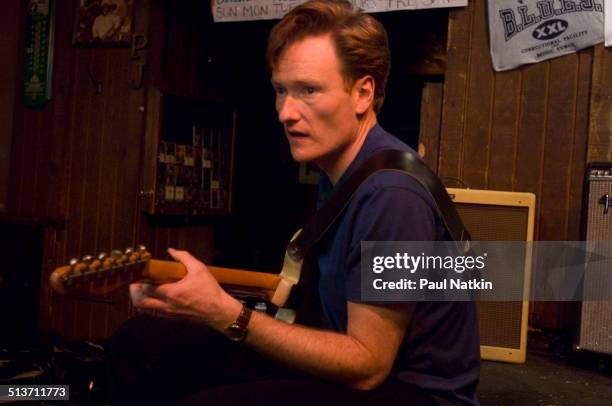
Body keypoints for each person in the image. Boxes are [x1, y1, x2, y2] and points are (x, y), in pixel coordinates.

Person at [108, 1, 480, 405]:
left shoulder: (391, 195)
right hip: (354, 363)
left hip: (411, 393)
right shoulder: (340, 170)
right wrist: (194, 304)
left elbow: (368, 366)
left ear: (363, 93)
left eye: (309, 91)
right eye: (281, 90)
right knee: (142, 342)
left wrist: (223, 312)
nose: (286, 112)